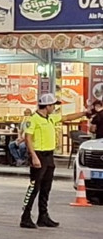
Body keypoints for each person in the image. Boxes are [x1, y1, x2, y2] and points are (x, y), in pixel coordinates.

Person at [20, 94, 92, 229]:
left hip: (49, 156)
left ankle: (43, 216)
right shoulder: (33, 119)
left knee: (46, 188)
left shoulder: (50, 118)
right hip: (39, 155)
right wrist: (34, 156)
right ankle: (26, 216)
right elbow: (28, 138)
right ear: (47, 106)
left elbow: (67, 117)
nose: (54, 108)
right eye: (53, 105)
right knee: (34, 187)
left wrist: (84, 113)